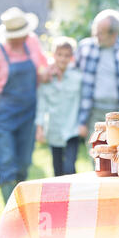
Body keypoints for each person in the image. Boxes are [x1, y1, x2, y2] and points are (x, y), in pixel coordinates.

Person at [0, 7, 50, 203]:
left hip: (29, 110)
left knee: (24, 161)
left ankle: (19, 205)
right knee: (7, 159)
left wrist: (45, 73)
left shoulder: (32, 42)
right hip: (4, 112)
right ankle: (8, 209)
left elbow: (43, 65)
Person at [75, 9, 119, 151]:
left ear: (114, 33)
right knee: (98, 154)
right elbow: (71, 72)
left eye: (100, 32)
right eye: (95, 31)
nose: (96, 35)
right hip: (94, 111)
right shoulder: (85, 48)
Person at [35, 37, 83, 176]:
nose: (62, 59)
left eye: (67, 55)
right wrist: (40, 128)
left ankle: (74, 196)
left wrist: (83, 123)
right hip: (54, 130)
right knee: (57, 171)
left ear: (71, 57)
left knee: (70, 168)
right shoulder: (47, 79)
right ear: (53, 55)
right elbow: (42, 105)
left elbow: (83, 101)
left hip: (72, 129)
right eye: (59, 55)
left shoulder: (77, 78)